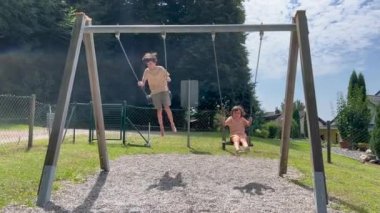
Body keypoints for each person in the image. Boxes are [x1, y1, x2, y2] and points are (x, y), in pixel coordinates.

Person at [138, 52, 176, 136]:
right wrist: (141, 83)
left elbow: (168, 77)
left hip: (164, 90)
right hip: (154, 92)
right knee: (159, 110)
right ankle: (161, 129)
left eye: (150, 63)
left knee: (167, 108)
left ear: (154, 62)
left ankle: (172, 124)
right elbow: (143, 82)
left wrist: (168, 79)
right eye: (147, 64)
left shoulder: (161, 69)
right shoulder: (146, 71)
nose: (149, 65)